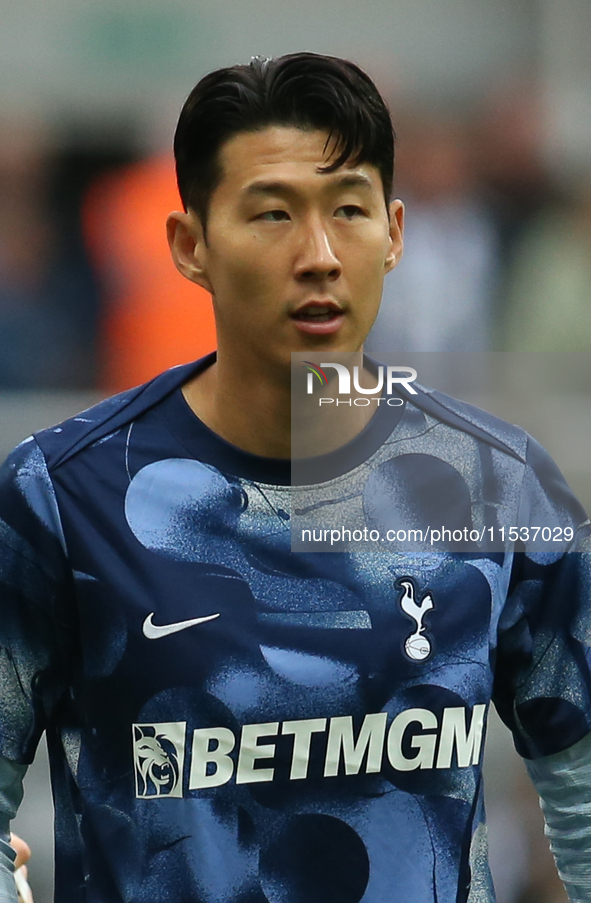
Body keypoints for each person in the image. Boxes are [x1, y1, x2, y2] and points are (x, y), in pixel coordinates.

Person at [0, 52, 590, 903]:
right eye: (272, 213)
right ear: (189, 244)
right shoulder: (61, 496)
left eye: (347, 209)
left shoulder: (497, 488)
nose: (317, 254)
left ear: (392, 233)